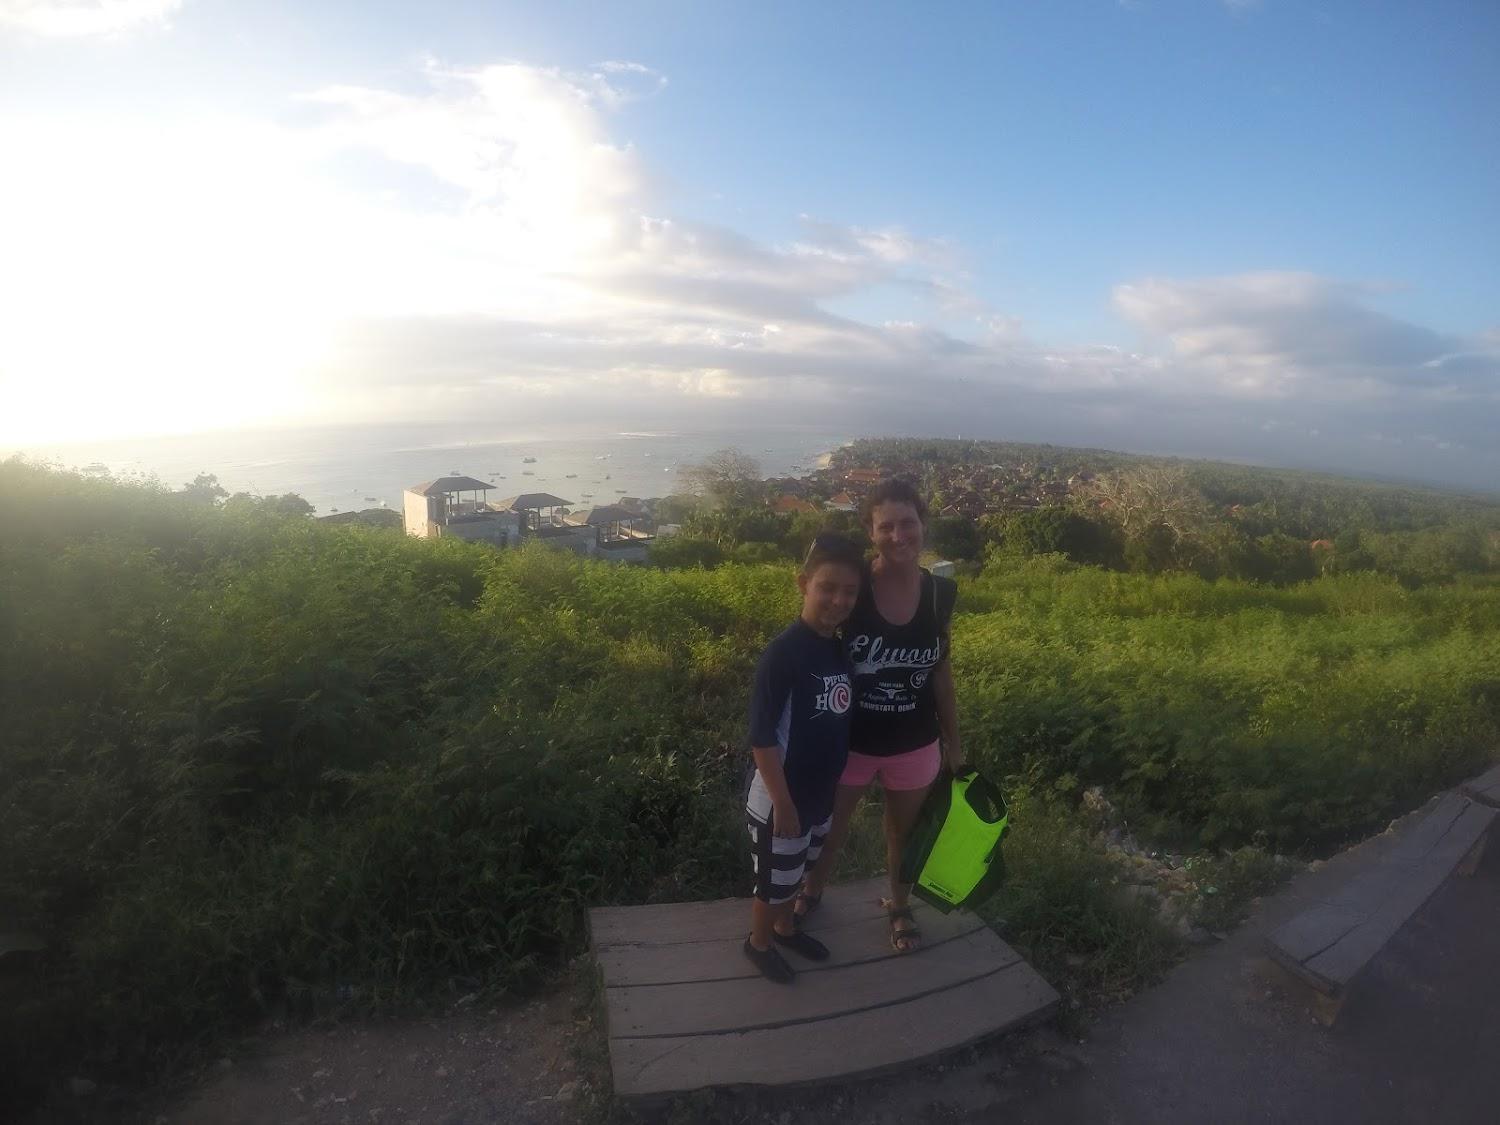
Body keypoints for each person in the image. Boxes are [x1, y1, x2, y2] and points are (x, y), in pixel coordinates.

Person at [796, 479, 960, 953]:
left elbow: (942, 674)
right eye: (885, 526)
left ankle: (900, 904)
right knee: (830, 826)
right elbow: (814, 640)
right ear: (871, 531)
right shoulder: (856, 588)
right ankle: (811, 891)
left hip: (914, 739)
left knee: (902, 833)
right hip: (848, 738)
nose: (898, 535)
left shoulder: (940, 594)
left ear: (923, 525)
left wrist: (955, 742)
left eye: (908, 523)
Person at [742, 533, 865, 984]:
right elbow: (761, 737)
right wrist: (785, 804)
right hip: (781, 798)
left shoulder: (836, 647)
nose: (838, 600)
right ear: (803, 584)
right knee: (774, 879)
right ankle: (757, 942)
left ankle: (785, 926)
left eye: (849, 592)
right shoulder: (784, 653)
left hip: (818, 793)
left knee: (801, 868)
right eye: (827, 588)